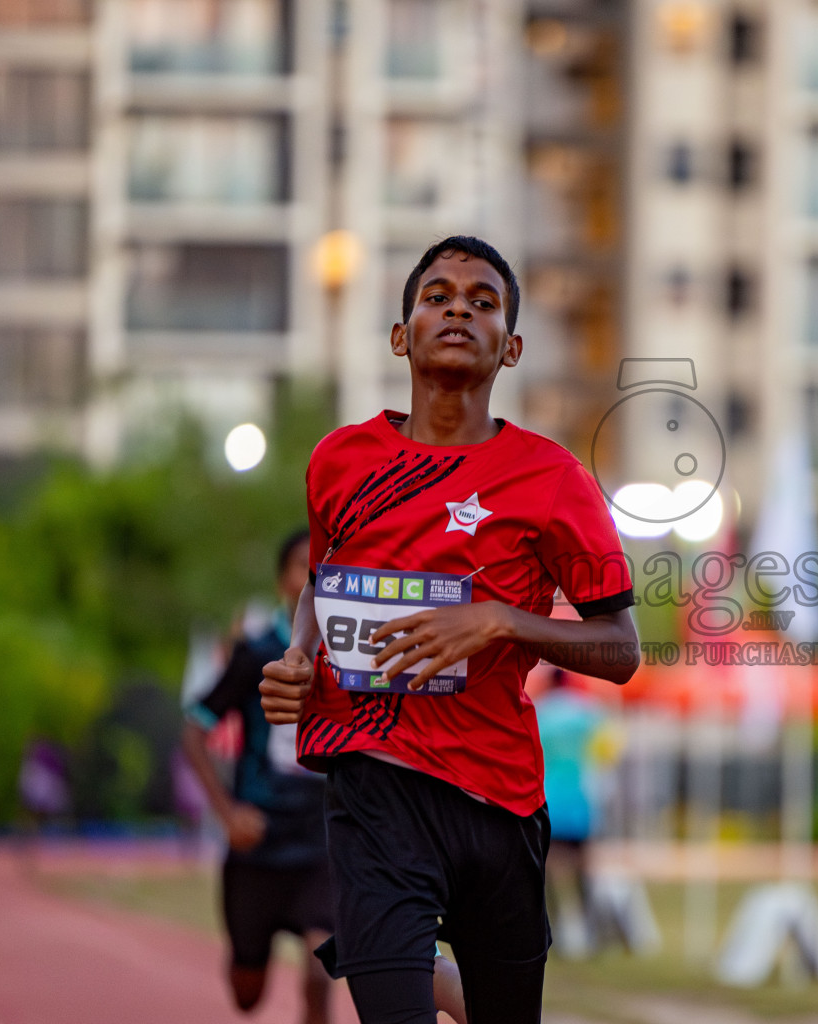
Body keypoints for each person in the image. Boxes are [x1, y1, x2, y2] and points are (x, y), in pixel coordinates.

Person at [259, 235, 638, 1024]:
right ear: (402, 336)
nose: (459, 307)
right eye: (436, 296)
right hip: (375, 789)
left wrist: (500, 622)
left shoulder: (551, 479)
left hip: (498, 797)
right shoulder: (340, 461)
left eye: (483, 300)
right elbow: (321, 589)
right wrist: (299, 656)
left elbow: (622, 651)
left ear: (513, 345)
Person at [182, 532, 470, 1023]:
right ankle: (248, 952)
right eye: (301, 566)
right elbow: (194, 728)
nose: (311, 576)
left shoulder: (354, 653)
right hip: (260, 841)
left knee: (322, 973)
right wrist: (227, 813)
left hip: (326, 835)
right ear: (283, 582)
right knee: (246, 993)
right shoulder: (256, 653)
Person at [533, 667, 611, 957]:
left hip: (548, 799)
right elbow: (607, 752)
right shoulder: (588, 712)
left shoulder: (539, 711)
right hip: (581, 799)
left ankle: (555, 932)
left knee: (547, 870)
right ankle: (590, 930)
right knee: (584, 869)